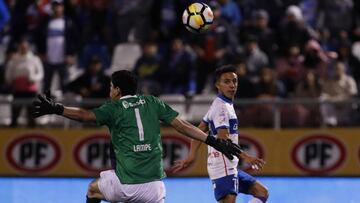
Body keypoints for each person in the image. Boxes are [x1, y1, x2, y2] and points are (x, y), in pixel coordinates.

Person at [32, 70, 243, 203]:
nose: (110, 91)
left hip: (125, 185)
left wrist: (57, 108)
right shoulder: (153, 102)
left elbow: (84, 115)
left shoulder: (113, 108)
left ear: (117, 90)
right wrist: (214, 141)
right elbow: (182, 125)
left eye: (111, 87)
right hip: (155, 188)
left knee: (93, 189)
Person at [172, 65, 269, 203]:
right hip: (223, 165)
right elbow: (224, 142)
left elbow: (198, 132)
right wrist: (247, 157)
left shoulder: (219, 104)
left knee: (262, 192)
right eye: (227, 81)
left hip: (229, 165)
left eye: (234, 81)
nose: (232, 85)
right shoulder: (222, 107)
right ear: (218, 85)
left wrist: (192, 156)